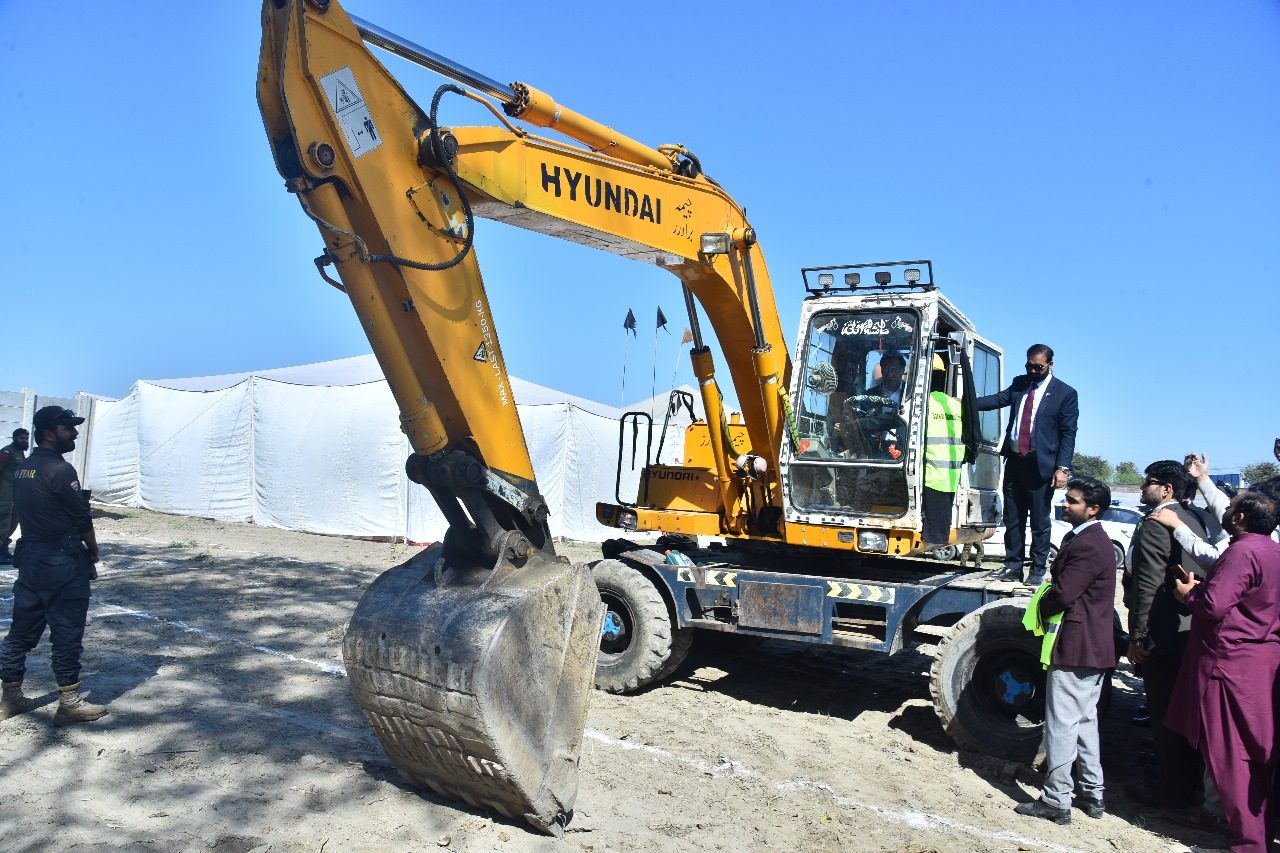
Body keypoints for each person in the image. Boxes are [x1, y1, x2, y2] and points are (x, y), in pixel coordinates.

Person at [1167, 491, 1280, 853]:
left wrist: (1188, 594)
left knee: (1232, 756)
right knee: (1255, 755)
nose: (1226, 511)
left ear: (1242, 517)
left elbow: (1214, 607)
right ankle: (1257, 836)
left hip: (1229, 664)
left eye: (1231, 507)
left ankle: (1248, 843)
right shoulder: (1273, 551)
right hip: (1260, 663)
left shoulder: (1242, 551)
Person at [1014, 476, 1117, 825]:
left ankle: (1056, 800)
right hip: (1092, 648)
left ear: (1093, 509)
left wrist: (1040, 605)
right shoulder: (1090, 539)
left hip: (1078, 647)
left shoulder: (1089, 543)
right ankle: (1092, 793)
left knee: (1061, 725)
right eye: (1066, 498)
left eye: (1072, 501)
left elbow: (1064, 593)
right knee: (1085, 722)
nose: (1064, 504)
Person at [0, 406, 107, 725]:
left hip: (31, 560)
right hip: (62, 561)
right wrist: (93, 549)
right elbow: (81, 516)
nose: (74, 433)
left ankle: (10, 698)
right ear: (49, 433)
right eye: (67, 428)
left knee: (20, 632)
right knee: (67, 632)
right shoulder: (61, 469)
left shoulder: (24, 467)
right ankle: (69, 703)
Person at [1123, 460, 1207, 815]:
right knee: (1185, 713)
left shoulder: (1157, 523)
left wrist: (1138, 636)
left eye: (1149, 482)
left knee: (1166, 714)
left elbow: (1147, 585)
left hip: (1165, 633)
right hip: (1190, 630)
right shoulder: (1195, 518)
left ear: (1166, 489)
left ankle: (1174, 792)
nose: (1143, 487)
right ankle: (1187, 784)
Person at [976, 344, 1079, 585]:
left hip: (1041, 466)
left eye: (1038, 367)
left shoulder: (1065, 393)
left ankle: (1037, 569)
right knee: (1013, 518)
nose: (1032, 371)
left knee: (1039, 522)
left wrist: (1062, 468)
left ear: (1050, 365)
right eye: (1029, 366)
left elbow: (1068, 433)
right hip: (1015, 461)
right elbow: (998, 399)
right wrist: (965, 401)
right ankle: (1013, 567)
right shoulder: (1020, 383)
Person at [922, 355, 963, 548]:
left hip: (930, 475)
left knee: (929, 532)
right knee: (939, 533)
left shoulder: (923, 404)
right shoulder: (955, 405)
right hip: (951, 476)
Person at [836, 351, 908, 459]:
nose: (889, 375)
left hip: (903, 450)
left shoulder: (911, 394)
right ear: (881, 370)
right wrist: (846, 426)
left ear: (902, 370)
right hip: (873, 452)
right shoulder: (869, 396)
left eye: (894, 370)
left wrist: (851, 426)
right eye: (886, 370)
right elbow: (860, 420)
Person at [0, 428, 30, 565]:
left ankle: (4, 549)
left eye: (26, 438)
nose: (24, 441)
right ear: (14, 438)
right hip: (4, 494)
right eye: (21, 438)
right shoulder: (7, 452)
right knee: (3, 521)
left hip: (15, 494)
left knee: (13, 522)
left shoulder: (20, 453)